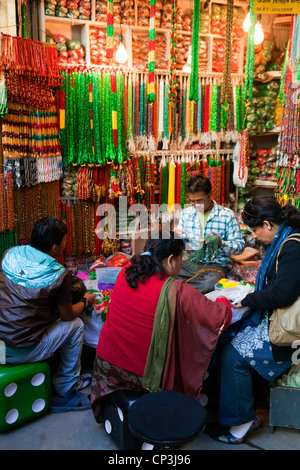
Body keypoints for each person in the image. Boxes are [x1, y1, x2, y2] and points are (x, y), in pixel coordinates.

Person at [91, 230, 233, 424]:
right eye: (182, 258)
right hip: (140, 376)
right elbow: (220, 318)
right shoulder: (177, 290)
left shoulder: (127, 271)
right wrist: (224, 298)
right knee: (190, 347)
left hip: (106, 364)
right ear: (171, 260)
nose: (183, 264)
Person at [216, 196, 300, 444]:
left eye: (255, 230)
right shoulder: (287, 237)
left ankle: (241, 422)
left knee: (233, 356)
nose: (254, 236)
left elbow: (282, 293)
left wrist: (249, 300)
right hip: (278, 316)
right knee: (227, 338)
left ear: (268, 224)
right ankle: (239, 408)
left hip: (290, 330)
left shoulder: (293, 245)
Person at [0, 216, 96, 412]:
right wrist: (86, 300)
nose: (65, 243)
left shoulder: (10, 253)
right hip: (20, 351)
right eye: (64, 240)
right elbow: (68, 316)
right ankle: (67, 389)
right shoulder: (58, 274)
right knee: (76, 324)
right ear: (55, 247)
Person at [176, 174, 244, 293]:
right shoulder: (187, 213)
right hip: (192, 262)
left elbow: (239, 248)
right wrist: (176, 237)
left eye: (200, 200)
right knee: (166, 272)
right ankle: (188, 293)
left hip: (216, 265)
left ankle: (184, 293)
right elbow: (181, 242)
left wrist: (221, 243)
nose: (196, 205)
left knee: (210, 282)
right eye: (192, 201)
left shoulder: (227, 215)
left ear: (210, 195)